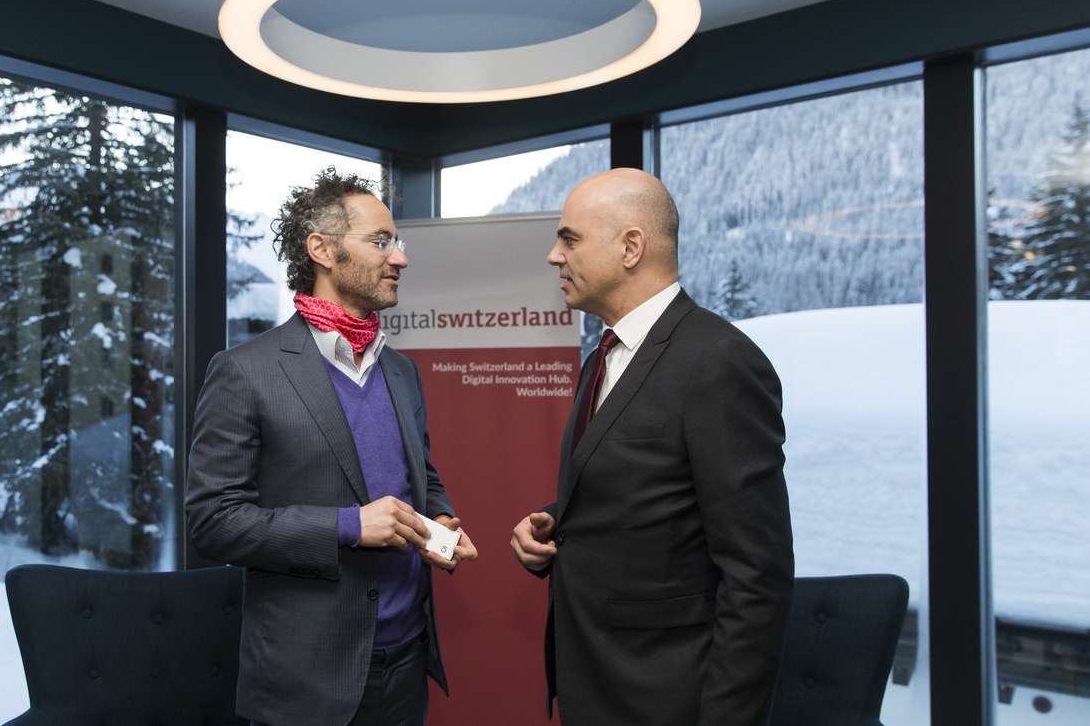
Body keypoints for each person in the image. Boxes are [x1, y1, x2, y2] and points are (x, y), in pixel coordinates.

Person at [187, 168, 477, 726]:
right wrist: (348, 526)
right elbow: (212, 522)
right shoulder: (244, 372)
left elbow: (420, 474)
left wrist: (438, 520)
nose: (401, 258)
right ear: (321, 249)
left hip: (409, 656)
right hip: (308, 677)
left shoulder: (402, 371)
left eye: (399, 242)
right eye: (382, 241)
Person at [510, 168, 793, 725]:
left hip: (667, 698)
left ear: (631, 246)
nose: (553, 256)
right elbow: (648, 494)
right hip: (595, 683)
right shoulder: (602, 358)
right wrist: (552, 523)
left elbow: (756, 573)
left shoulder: (719, 362)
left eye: (569, 239)